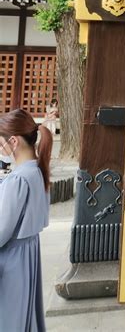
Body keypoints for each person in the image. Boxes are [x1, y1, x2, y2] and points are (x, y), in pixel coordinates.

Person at [0, 109, 52, 332]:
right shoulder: (38, 172)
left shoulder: (18, 179)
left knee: (9, 318)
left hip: (11, 259)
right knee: (23, 316)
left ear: (13, 141)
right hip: (27, 254)